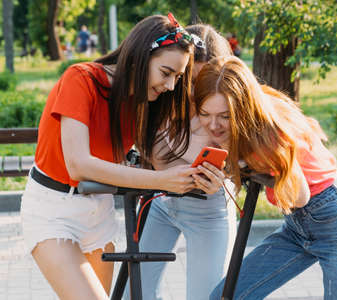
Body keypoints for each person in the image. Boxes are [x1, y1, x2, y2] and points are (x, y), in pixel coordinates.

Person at [20, 13, 210, 300]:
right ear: (139, 57)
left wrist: (201, 174)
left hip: (100, 211)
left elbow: (165, 157)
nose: (171, 85)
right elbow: (79, 164)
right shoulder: (81, 79)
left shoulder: (145, 100)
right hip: (53, 209)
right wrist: (162, 180)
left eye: (177, 77)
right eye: (166, 73)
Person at [193, 56, 337, 300]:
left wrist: (242, 163)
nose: (214, 125)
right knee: (225, 296)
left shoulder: (269, 131)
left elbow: (300, 197)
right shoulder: (250, 120)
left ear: (243, 108)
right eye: (206, 114)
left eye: (225, 116)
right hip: (297, 229)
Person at [127, 24, 237, 300]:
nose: (193, 91)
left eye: (204, 82)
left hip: (208, 209)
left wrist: (228, 178)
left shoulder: (219, 111)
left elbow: (241, 161)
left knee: (206, 296)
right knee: (136, 294)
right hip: (163, 203)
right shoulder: (162, 97)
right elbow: (150, 157)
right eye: (189, 79)